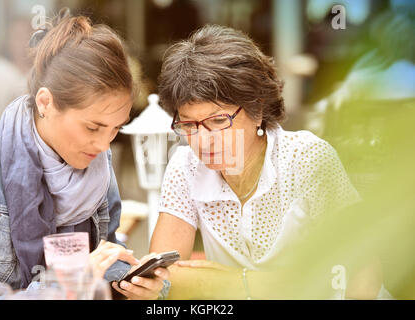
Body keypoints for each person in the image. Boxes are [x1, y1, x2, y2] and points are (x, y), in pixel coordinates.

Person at [150, 25, 390, 299]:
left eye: (218, 121)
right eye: (189, 124)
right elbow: (163, 279)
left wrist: (222, 282)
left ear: (258, 108)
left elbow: (362, 270)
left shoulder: (305, 157)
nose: (203, 141)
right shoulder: (185, 165)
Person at [0, 9, 169, 300]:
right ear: (45, 102)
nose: (103, 145)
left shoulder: (98, 163)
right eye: (93, 127)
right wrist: (66, 285)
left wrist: (131, 284)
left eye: (115, 129)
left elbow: (103, 259)